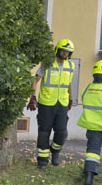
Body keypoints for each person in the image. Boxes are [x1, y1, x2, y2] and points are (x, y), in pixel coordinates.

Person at [27, 39, 76, 169]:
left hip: (62, 103)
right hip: (46, 103)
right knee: (44, 131)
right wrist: (32, 97)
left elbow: (68, 83)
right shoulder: (48, 63)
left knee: (61, 132)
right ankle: (42, 161)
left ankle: (55, 152)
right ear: (58, 50)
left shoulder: (70, 66)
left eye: (68, 52)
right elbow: (35, 80)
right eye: (63, 50)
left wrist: (71, 98)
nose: (65, 53)